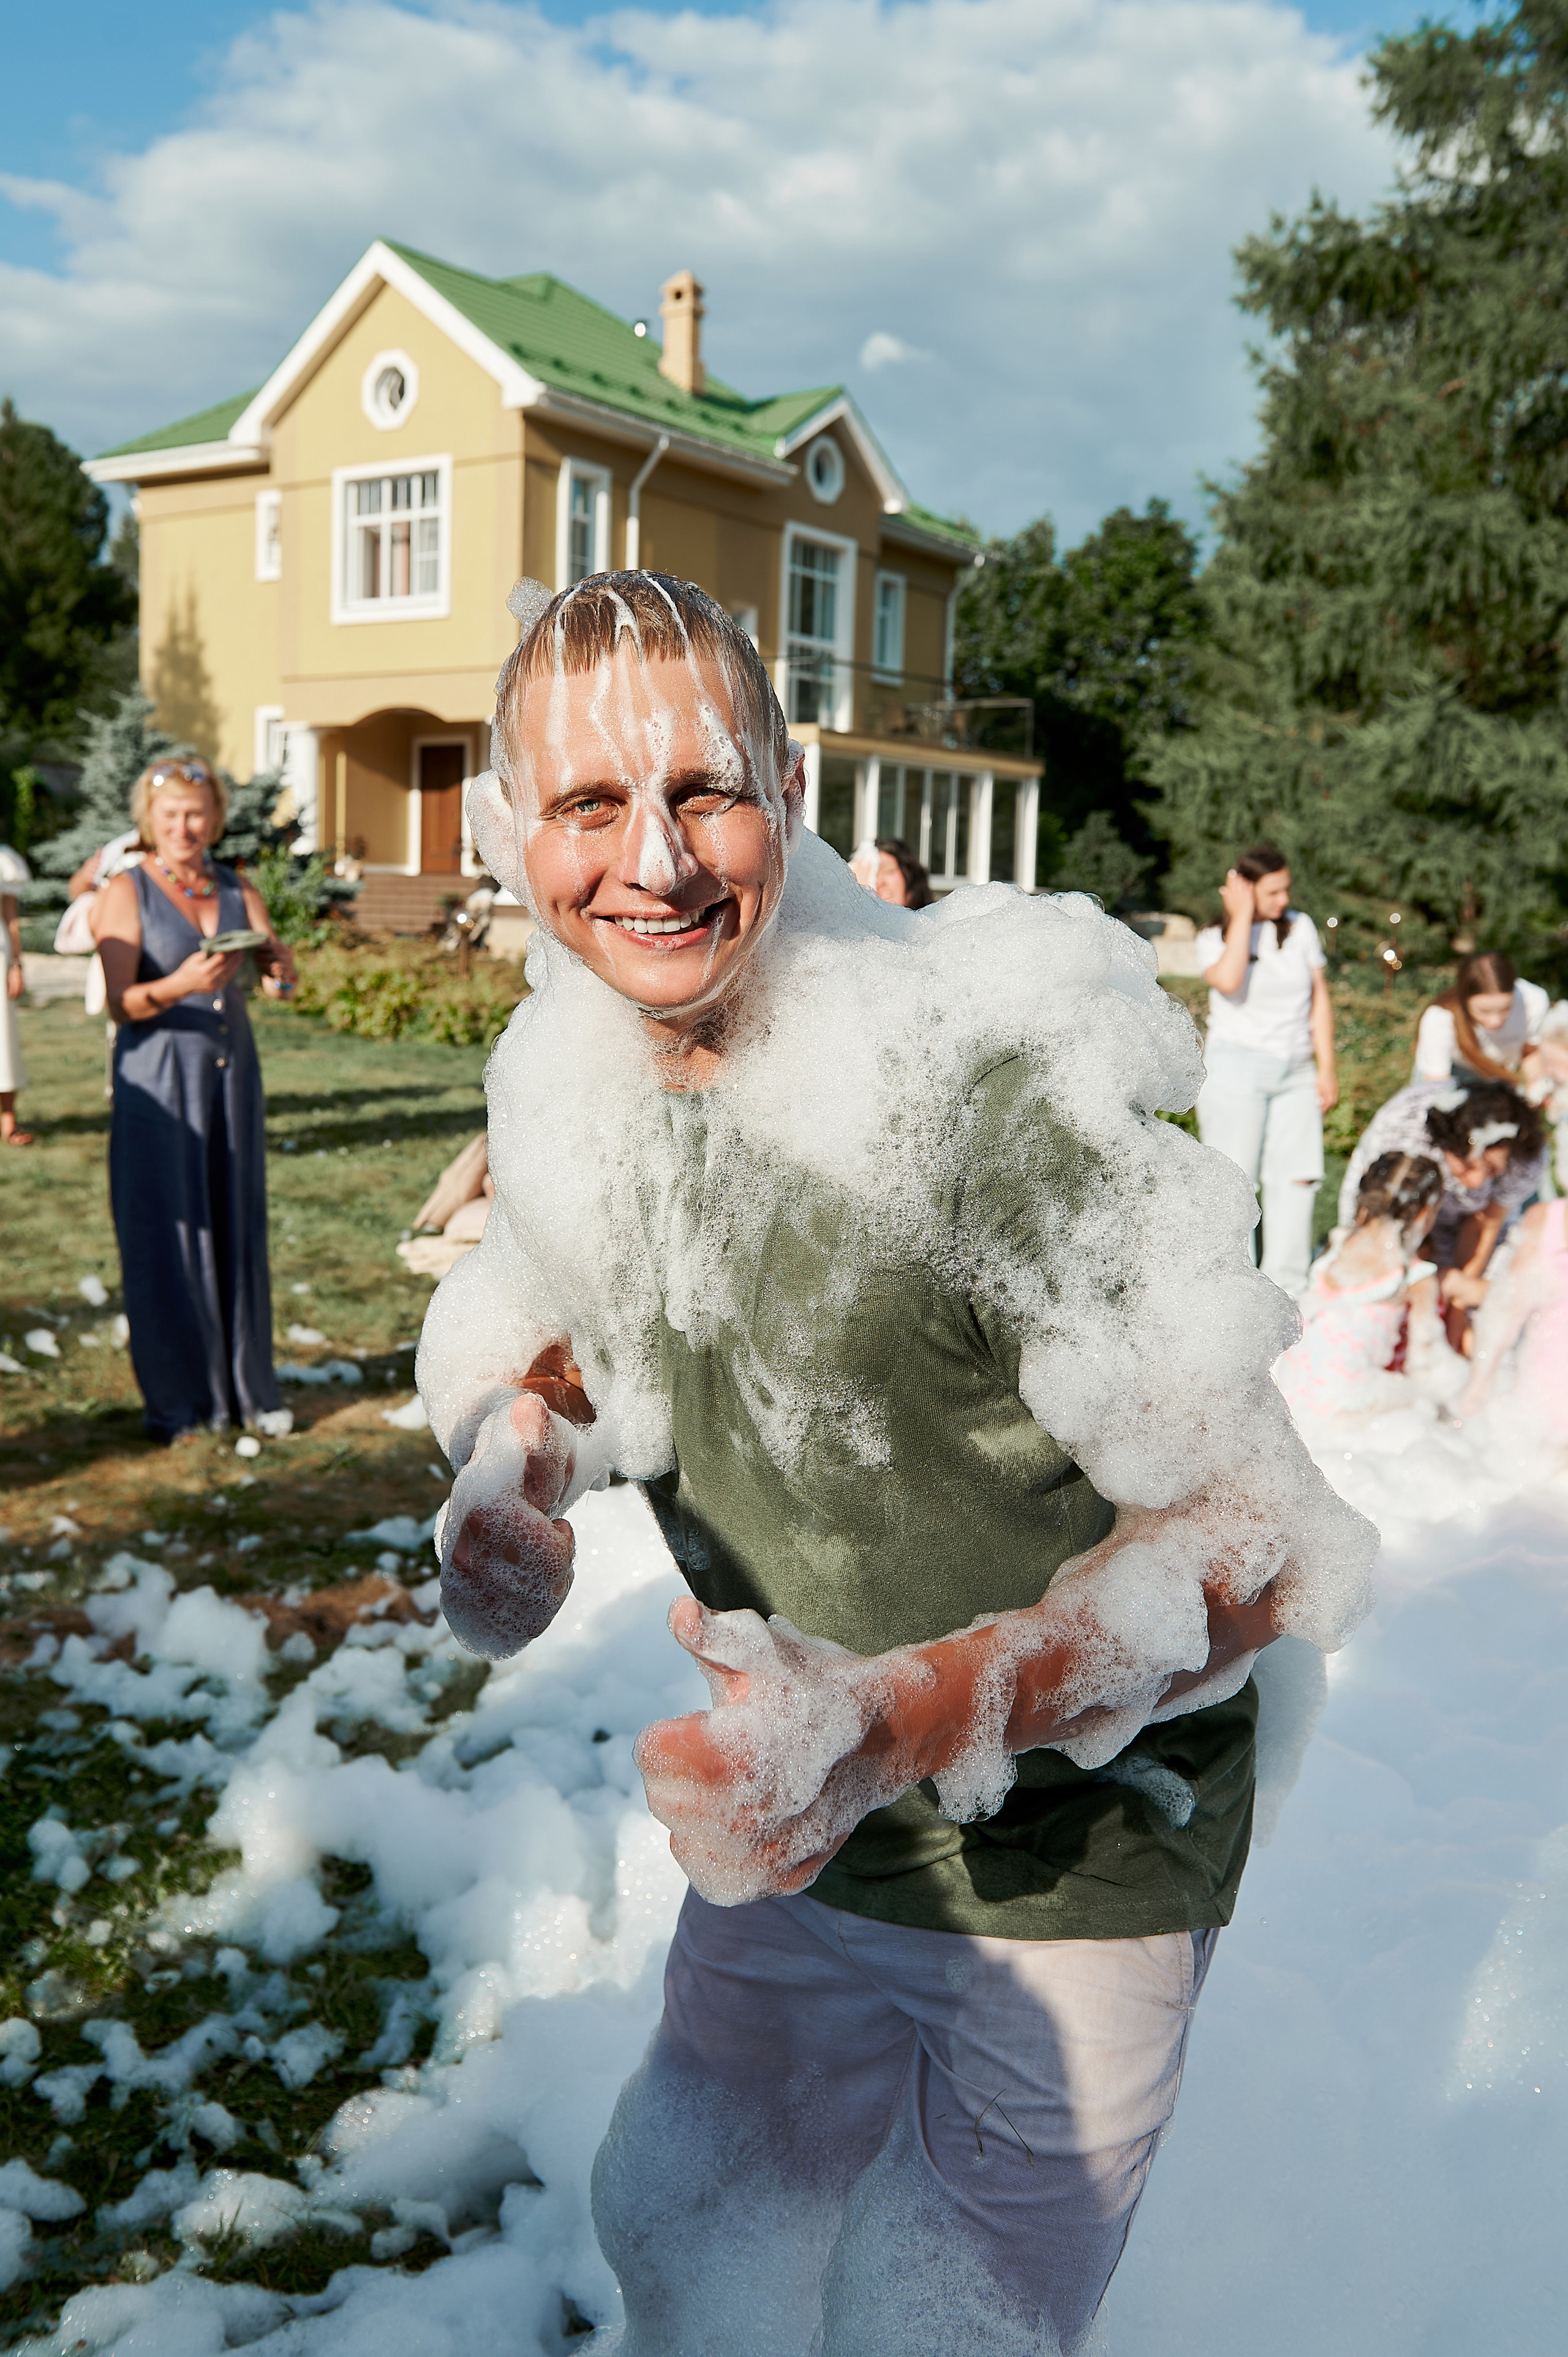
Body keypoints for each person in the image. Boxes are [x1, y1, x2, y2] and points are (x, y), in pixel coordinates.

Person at [417, 572, 1375, 2356]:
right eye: (589, 804)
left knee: (927, 2327)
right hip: (811, 1831)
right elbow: (561, 1314)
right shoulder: (569, 1069)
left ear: (787, 788)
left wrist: (903, 1720)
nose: (652, 861)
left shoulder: (975, 1096)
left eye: (703, 790)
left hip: (1085, 1851)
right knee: (682, 2228)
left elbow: (1255, 1539)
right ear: (512, 831)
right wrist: (520, 1456)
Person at [96, 756, 296, 1441]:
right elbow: (120, 1003)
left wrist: (281, 973)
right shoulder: (127, 890)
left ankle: (247, 1391)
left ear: (215, 818)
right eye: (171, 815)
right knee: (166, 1229)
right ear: (149, 820)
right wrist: (182, 983)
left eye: (196, 813)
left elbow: (275, 976)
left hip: (230, 1076)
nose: (185, 827)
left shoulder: (236, 885)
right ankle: (180, 1401)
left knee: (236, 1219)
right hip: (159, 1081)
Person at [1194, 844, 1337, 1300]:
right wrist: (1240, 917)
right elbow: (1228, 980)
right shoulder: (1212, 937)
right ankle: (1235, 1292)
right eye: (1273, 891)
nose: (1284, 899)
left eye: (1286, 889)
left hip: (1297, 1070)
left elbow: (1319, 998)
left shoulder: (1300, 928)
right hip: (1236, 1070)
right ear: (1245, 888)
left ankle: (1290, 1291)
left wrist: (1327, 1067)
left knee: (1298, 1178)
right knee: (1235, 1183)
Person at [1338, 1080, 1547, 1353]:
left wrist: (1458, 1311)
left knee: (1473, 1313)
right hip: (1392, 1204)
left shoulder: (1526, 1157)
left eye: (1492, 1170)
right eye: (1468, 1165)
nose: (1477, 1181)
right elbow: (1379, 1220)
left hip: (1465, 1221)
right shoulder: (1405, 1131)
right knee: (1380, 1292)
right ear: (1445, 1144)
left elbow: (1484, 1224)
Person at [1273, 1152, 1447, 1423]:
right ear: (1426, 1212)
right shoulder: (1416, 1276)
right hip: (1348, 1411)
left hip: (1286, 1392)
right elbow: (1426, 1362)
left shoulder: (1338, 1243)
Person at [1456, 1196, 1568, 1445]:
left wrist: (1477, 1387)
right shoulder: (1546, 1219)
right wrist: (1478, 1387)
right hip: (1544, 1398)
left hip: (1542, 1400)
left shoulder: (1547, 1218)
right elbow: (1506, 1311)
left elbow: (1506, 1312)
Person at [1413, 950, 1549, 1086]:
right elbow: (1436, 1084)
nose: (1495, 1021)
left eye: (1505, 1009)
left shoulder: (1533, 1001)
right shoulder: (1440, 1018)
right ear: (1464, 1000)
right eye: (1484, 1011)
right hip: (1452, 1072)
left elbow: (1529, 1051)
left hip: (1496, 1072)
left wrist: (1538, 1085)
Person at [0, 841, 31, 1145]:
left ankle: (8, 1120)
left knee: (3, 1037)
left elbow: (11, 917)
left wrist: (16, 965)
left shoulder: (4, 860)